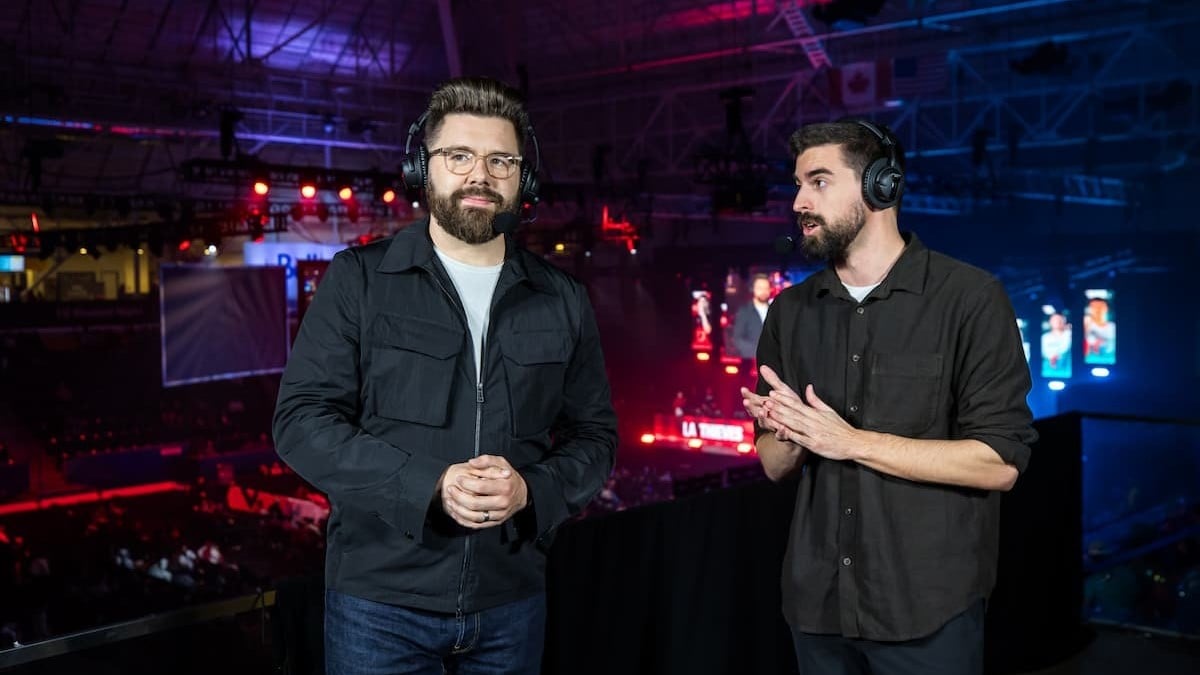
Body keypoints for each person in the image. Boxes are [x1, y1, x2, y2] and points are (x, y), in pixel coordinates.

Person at [273, 77, 618, 675]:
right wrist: (427, 483)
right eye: (458, 156)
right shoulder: (359, 279)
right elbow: (301, 423)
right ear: (421, 169)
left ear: (522, 178)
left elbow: (595, 438)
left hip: (512, 602)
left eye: (500, 160)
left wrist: (532, 490)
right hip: (377, 606)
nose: (480, 174)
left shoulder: (562, 298)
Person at [740, 119, 1036, 675]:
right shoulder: (790, 311)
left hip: (926, 610)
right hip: (817, 606)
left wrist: (850, 442)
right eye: (798, 184)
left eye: (819, 181)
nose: (799, 201)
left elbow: (1000, 464)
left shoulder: (969, 299)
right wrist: (788, 432)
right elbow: (773, 466)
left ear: (881, 186)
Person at [730, 273, 772, 360]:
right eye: (760, 288)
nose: (764, 291)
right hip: (751, 362)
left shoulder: (776, 311)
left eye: (766, 288)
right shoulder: (744, 311)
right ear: (753, 289)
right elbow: (737, 339)